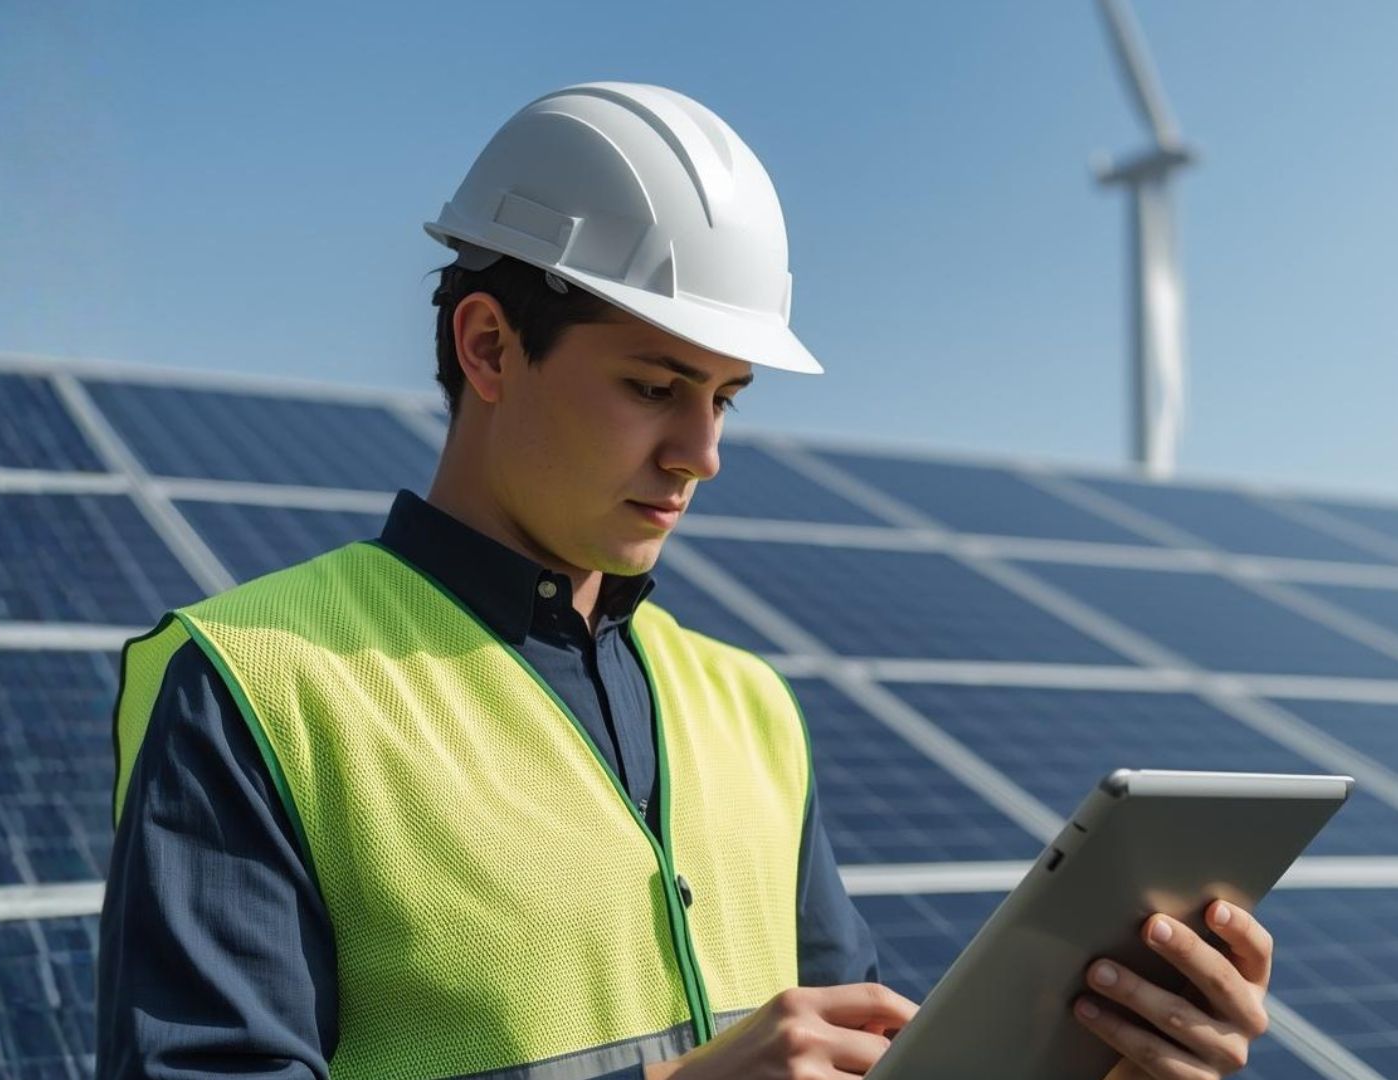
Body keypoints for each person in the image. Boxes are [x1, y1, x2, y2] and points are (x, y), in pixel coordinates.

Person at [97, 80, 1277, 1080]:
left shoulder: (748, 707)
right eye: (655, 387)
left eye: (725, 400)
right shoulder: (256, 687)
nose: (701, 454)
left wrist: (1113, 1065)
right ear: (490, 347)